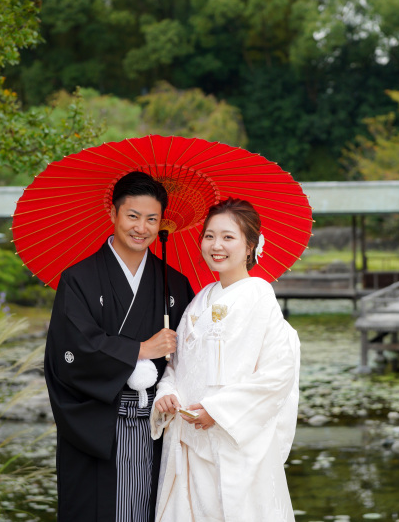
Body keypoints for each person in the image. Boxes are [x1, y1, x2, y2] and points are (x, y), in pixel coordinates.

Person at [44, 171, 194, 521]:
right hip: (98, 426)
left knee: (152, 508)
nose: (142, 227)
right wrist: (140, 349)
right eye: (133, 216)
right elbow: (70, 353)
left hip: (156, 424)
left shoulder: (174, 282)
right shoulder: (78, 279)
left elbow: (187, 360)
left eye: (152, 219)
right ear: (113, 214)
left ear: (161, 223)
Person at [151, 197, 301, 522]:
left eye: (228, 237)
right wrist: (167, 394)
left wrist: (217, 412)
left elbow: (278, 373)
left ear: (250, 247)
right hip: (188, 439)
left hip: (232, 442)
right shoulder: (199, 300)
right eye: (209, 236)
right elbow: (176, 366)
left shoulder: (259, 295)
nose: (216, 245)